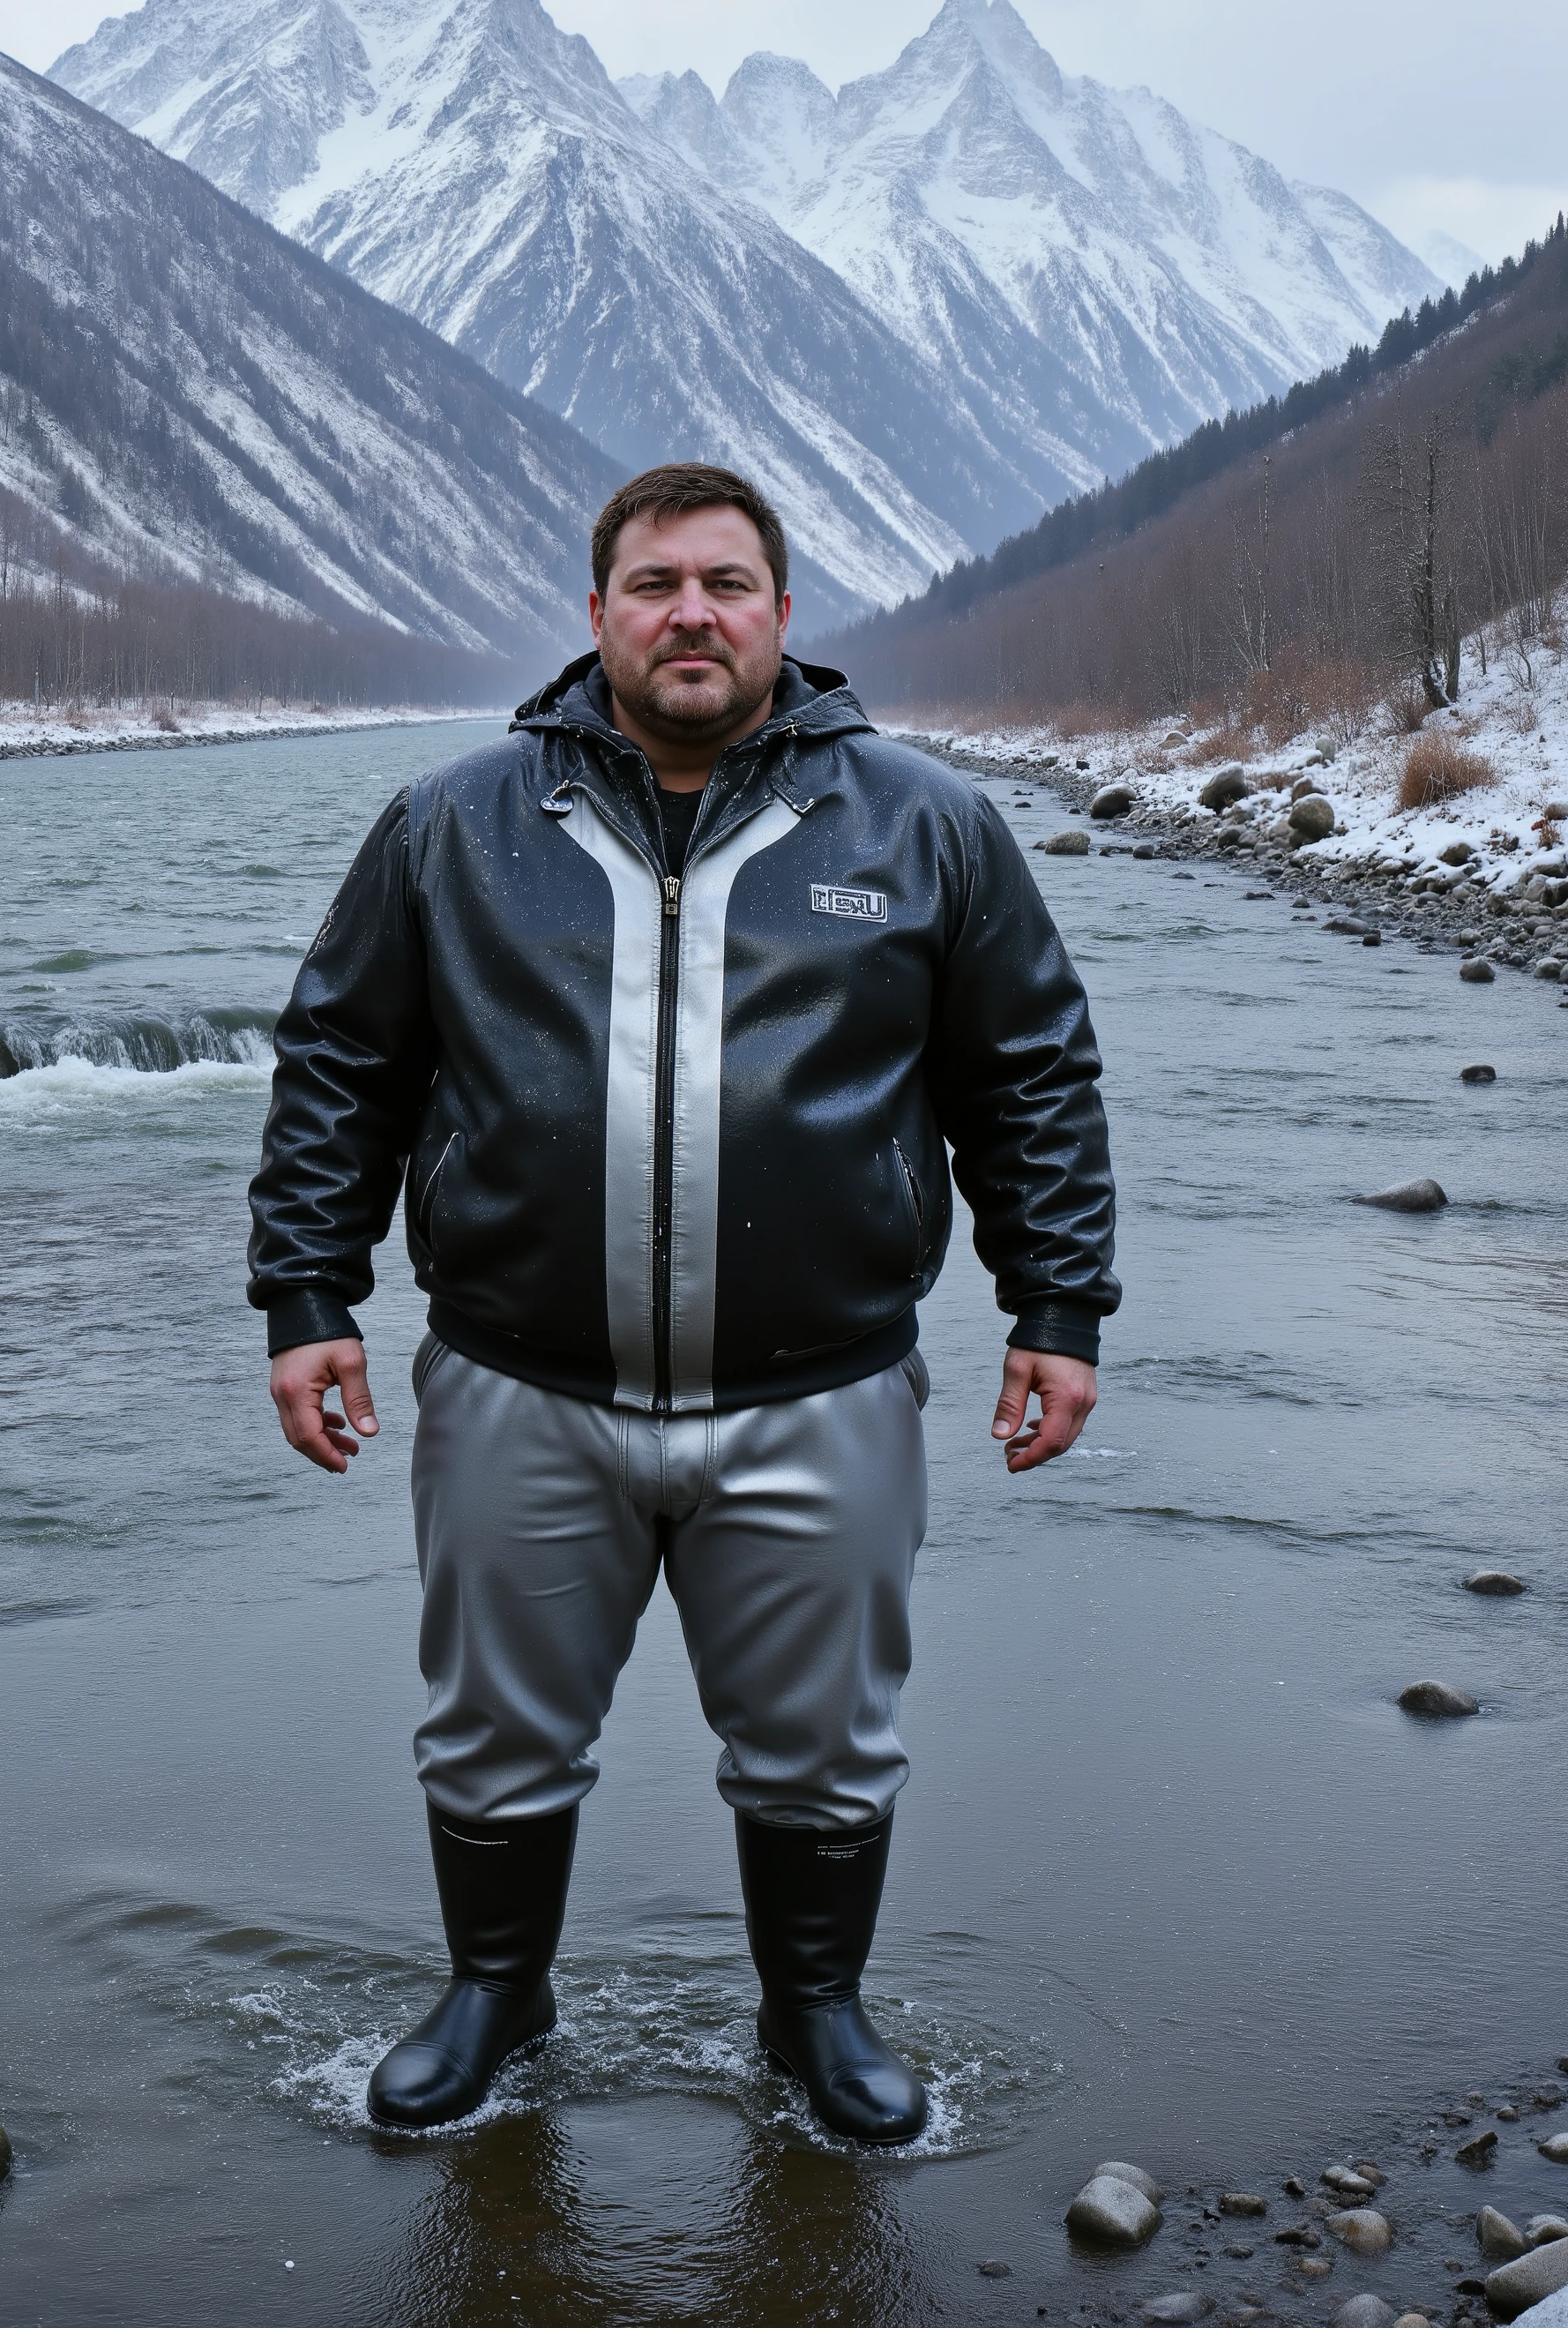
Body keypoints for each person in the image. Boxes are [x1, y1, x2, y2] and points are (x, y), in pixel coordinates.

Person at [248, 461, 1117, 2144]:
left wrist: (1057, 1310)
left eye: (727, 583)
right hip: (518, 1385)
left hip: (822, 1391)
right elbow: (340, 1068)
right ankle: (496, 1996)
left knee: (824, 1751)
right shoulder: (457, 823)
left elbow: (1031, 1079)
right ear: (597, 618)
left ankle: (817, 2020)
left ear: (786, 615)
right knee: (492, 1735)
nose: (692, 615)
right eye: (656, 585)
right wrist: (307, 1293)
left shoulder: (925, 824)